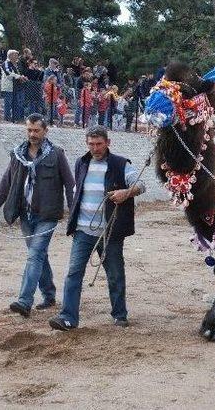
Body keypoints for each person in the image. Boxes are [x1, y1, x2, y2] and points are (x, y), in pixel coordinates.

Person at [48, 126, 146, 331]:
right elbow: (77, 192)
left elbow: (141, 185)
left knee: (115, 273)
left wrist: (126, 193)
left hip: (110, 231)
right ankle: (68, 318)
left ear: (108, 143)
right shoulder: (81, 163)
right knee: (74, 273)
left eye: (99, 144)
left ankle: (120, 315)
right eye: (91, 144)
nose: (95, 148)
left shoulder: (121, 164)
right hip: (83, 230)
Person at [0, 113, 75, 317]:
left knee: (34, 255)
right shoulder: (18, 154)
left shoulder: (57, 154)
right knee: (39, 255)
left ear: (45, 131)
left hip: (48, 215)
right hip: (26, 215)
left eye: (36, 130)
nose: (32, 134)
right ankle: (49, 294)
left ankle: (24, 301)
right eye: (29, 130)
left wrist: (73, 212)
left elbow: (70, 185)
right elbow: (6, 182)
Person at [1, 49, 27, 122]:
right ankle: (7, 118)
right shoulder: (6, 63)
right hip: (8, 87)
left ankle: (15, 119)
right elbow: (8, 72)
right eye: (15, 55)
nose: (17, 57)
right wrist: (19, 77)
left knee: (15, 103)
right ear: (10, 55)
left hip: (15, 87)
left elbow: (17, 74)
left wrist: (22, 77)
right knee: (8, 103)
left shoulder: (14, 65)